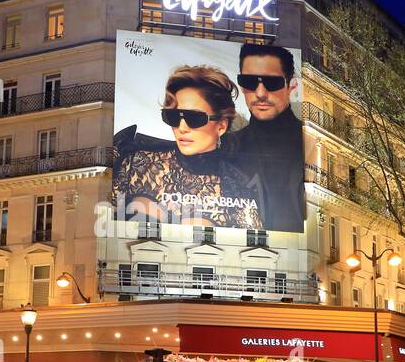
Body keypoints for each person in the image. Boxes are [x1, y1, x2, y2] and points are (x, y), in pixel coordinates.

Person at [113, 65, 267, 229]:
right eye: (173, 117)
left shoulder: (238, 190)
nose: (182, 127)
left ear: (221, 126)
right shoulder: (137, 162)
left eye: (194, 118)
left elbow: (256, 249)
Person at [224, 43, 305, 232]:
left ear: (291, 86)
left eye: (272, 83)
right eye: (250, 82)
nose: (260, 93)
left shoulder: (311, 144)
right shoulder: (227, 147)